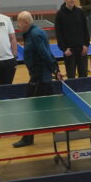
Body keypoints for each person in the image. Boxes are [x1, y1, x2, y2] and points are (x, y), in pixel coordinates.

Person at [12, 12, 62, 149]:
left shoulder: (35, 34)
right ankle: (71, 128)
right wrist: (55, 69)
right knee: (51, 106)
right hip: (40, 76)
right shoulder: (31, 33)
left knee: (30, 107)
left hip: (39, 77)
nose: (17, 25)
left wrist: (55, 69)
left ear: (26, 22)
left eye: (19, 22)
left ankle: (27, 138)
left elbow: (45, 53)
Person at [54, 0, 90, 79]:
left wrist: (86, 45)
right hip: (69, 51)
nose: (72, 0)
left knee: (84, 76)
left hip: (82, 49)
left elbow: (85, 29)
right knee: (71, 77)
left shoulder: (80, 12)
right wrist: (64, 49)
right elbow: (59, 34)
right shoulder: (59, 14)